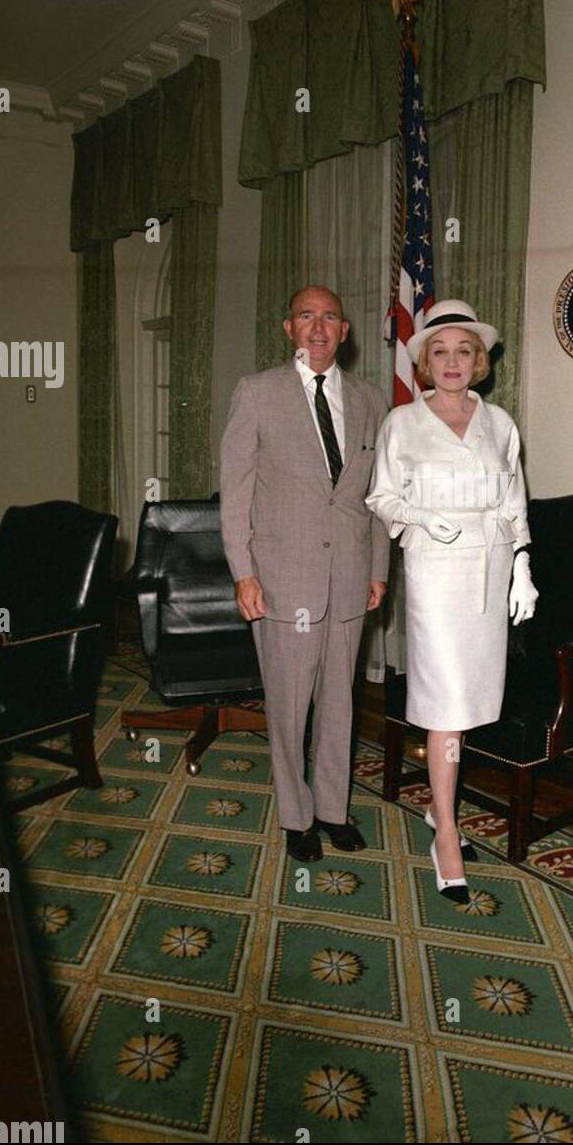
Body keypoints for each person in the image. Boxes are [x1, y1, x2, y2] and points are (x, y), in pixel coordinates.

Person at [365, 300, 538, 903]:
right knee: (444, 706)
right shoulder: (402, 424)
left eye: (464, 351)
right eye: (439, 352)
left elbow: (515, 500)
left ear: (479, 360)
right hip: (436, 574)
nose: (453, 361)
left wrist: (523, 567)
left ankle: (443, 811)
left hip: (490, 575)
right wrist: (421, 515)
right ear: (423, 362)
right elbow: (382, 498)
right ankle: (446, 830)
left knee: (470, 706)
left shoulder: (502, 424)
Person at [220, 285, 390, 864]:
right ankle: (297, 816)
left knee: (340, 701)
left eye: (330, 318)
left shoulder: (370, 402)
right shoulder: (257, 394)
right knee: (289, 704)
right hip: (281, 579)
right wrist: (243, 573)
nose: (318, 327)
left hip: (349, 577)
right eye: (305, 316)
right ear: (287, 328)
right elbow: (235, 497)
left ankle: (333, 809)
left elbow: (375, 497)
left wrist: (379, 569)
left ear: (345, 332)